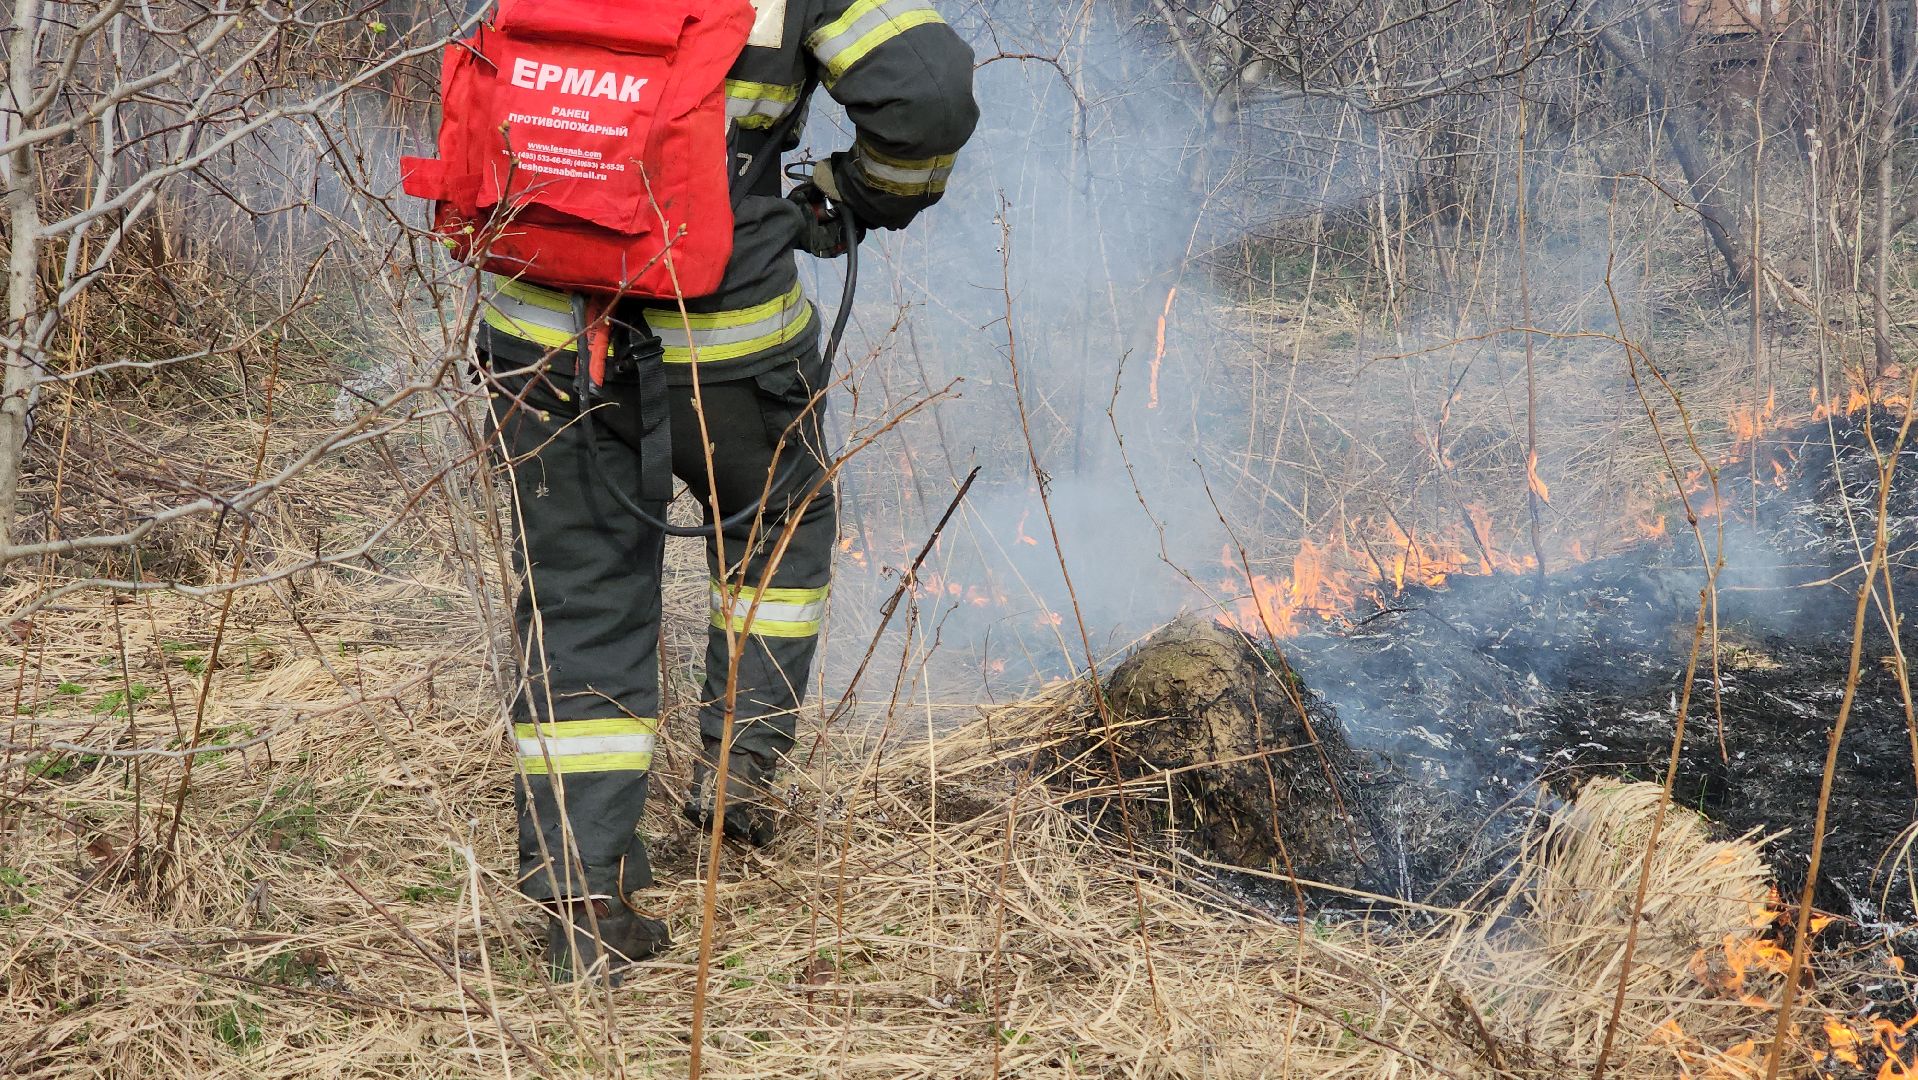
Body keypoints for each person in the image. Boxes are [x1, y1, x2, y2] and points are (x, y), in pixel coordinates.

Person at [476, 0, 978, 979]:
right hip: (727, 344)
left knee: (579, 597)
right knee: (778, 528)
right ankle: (737, 769)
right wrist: (859, 195)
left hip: (543, 333)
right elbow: (926, 90)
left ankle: (585, 907)